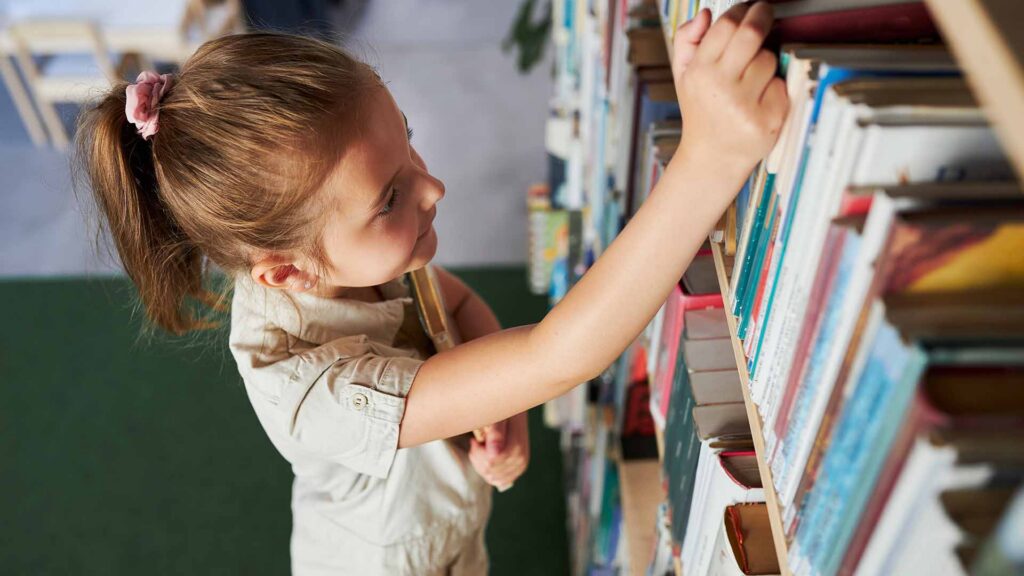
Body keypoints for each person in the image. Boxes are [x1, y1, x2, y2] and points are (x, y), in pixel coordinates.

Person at [75, 3, 786, 574]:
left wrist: (490, 392)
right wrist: (708, 160)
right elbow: (556, 355)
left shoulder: (356, 258)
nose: (435, 187)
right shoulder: (307, 392)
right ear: (287, 273)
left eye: (406, 136)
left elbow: (456, 304)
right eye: (389, 197)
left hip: (450, 537)